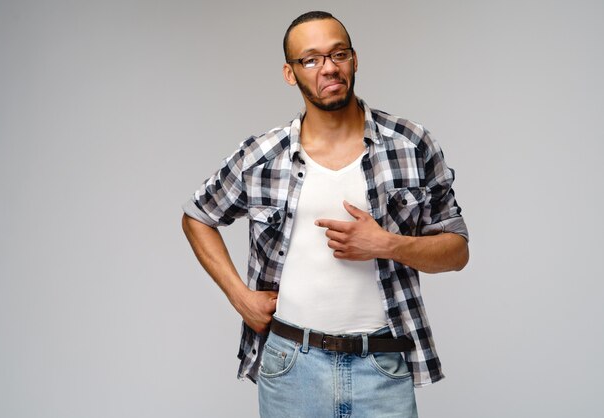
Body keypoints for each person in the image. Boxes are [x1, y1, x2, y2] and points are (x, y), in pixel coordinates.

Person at [182, 10, 469, 418]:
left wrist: (387, 244)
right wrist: (239, 296)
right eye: (311, 59)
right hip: (290, 365)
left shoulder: (410, 143)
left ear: (355, 60)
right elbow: (197, 216)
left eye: (338, 54)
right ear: (290, 72)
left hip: (382, 365)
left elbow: (457, 250)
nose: (328, 68)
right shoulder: (262, 156)